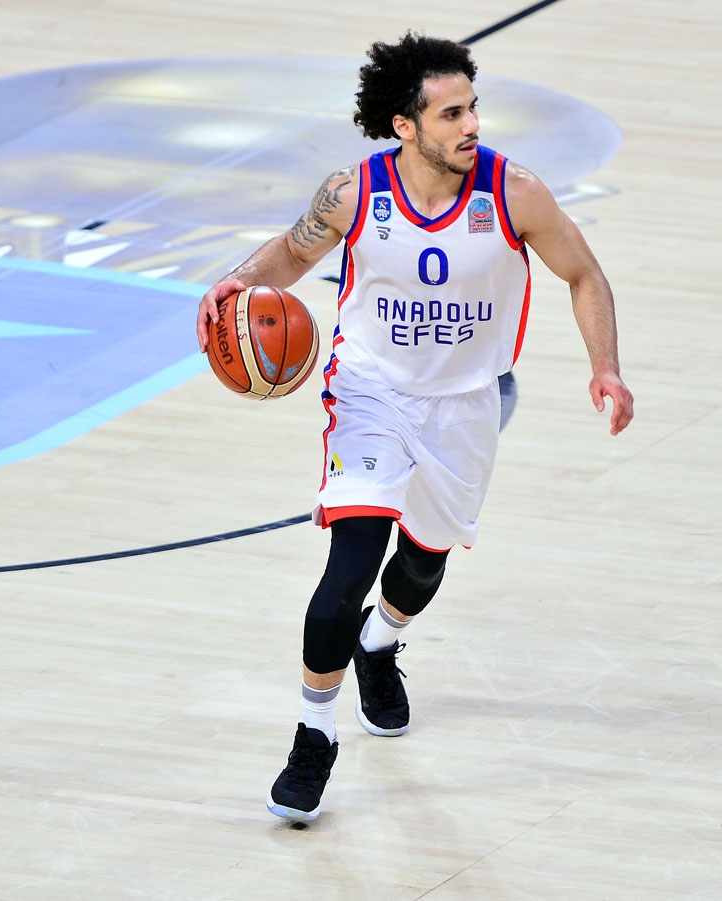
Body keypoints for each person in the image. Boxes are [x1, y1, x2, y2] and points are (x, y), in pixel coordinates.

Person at [196, 31, 634, 823]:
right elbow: (291, 255)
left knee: (421, 567)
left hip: (465, 405)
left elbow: (584, 273)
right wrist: (237, 281)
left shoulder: (514, 192)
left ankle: (379, 641)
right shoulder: (355, 193)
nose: (472, 126)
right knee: (349, 564)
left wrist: (605, 365)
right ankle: (313, 736)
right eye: (451, 113)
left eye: (473, 109)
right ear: (405, 125)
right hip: (370, 394)